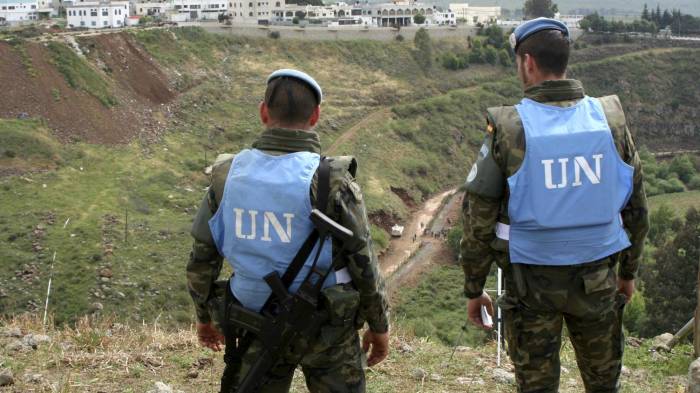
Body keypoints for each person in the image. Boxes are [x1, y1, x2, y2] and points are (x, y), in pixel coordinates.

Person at [460, 18, 649, 393]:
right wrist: (628, 272)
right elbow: (636, 206)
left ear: (527, 63)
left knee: (536, 385)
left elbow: (477, 220)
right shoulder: (609, 119)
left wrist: (473, 287)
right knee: (603, 383)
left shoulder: (509, 127)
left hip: (531, 284)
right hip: (597, 279)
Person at [186, 69, 390, 393]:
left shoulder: (226, 176)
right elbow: (363, 260)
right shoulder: (331, 179)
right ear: (316, 116)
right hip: (326, 327)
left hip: (251, 318)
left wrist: (204, 316)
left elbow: (201, 259)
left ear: (263, 112)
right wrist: (379, 326)